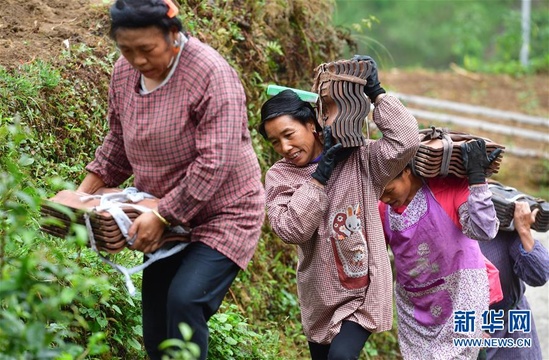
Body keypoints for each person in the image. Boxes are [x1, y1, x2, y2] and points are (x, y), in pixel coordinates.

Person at [76, 0, 265, 358]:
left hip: (223, 213)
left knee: (185, 301)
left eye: (147, 49)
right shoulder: (123, 74)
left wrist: (163, 214)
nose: (138, 61)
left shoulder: (210, 73)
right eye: (126, 50)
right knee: (157, 327)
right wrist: (79, 197)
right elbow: (117, 143)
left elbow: (215, 162)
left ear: (174, 35)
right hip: (160, 213)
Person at [260, 56, 420, 359]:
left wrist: (377, 94)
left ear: (311, 124)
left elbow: (406, 142)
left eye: (289, 135)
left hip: (364, 291)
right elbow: (290, 229)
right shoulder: (280, 175)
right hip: (320, 295)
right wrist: (320, 177)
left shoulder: (360, 158)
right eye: (275, 142)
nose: (284, 148)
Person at [378, 141, 501, 359]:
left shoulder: (449, 188)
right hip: (415, 308)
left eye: (388, 190)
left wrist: (477, 180)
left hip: (461, 299)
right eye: (380, 194)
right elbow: (375, 255)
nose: (385, 199)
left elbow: (485, 229)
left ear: (406, 171)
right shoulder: (384, 209)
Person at [479, 200, 549, 360]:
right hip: (461, 332)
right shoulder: (431, 212)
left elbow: (540, 274)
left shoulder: (495, 208)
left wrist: (523, 230)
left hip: (512, 332)